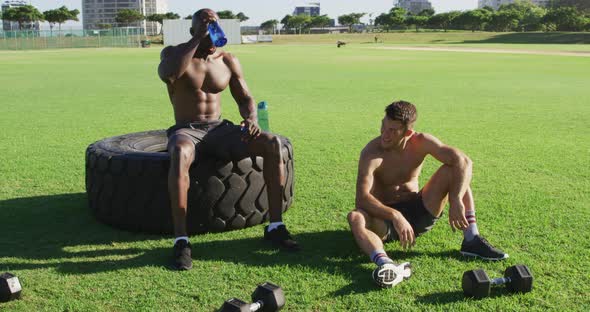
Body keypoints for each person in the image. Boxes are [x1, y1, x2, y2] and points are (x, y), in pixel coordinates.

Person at [158, 9, 300, 271]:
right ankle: (181, 241)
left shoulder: (227, 60)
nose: (211, 30)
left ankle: (276, 226)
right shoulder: (174, 53)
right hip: (187, 130)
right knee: (179, 152)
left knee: (272, 144)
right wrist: (197, 39)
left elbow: (245, 98)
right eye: (204, 25)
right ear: (193, 30)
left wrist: (251, 119)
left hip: (219, 129)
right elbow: (168, 74)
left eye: (214, 25)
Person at [347, 100, 507, 288]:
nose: (385, 133)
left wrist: (455, 199)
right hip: (385, 221)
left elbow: (464, 161)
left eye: (392, 130)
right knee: (355, 216)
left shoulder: (421, 142)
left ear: (407, 132)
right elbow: (362, 198)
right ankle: (387, 264)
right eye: (384, 125)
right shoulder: (371, 153)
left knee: (454, 171)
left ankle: (471, 239)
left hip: (419, 211)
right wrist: (395, 216)